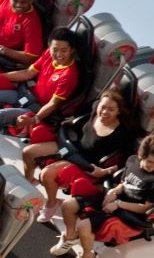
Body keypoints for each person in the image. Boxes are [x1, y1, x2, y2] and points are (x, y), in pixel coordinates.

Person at [49, 134, 154, 258]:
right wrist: (114, 191)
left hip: (127, 212)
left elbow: (145, 207)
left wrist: (118, 204)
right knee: (68, 205)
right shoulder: (132, 161)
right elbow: (124, 183)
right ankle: (71, 237)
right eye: (151, 162)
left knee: (84, 225)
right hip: (114, 201)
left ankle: (88, 257)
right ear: (141, 155)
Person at [31, 89, 136, 221]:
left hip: (90, 167)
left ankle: (51, 204)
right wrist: (71, 121)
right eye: (102, 107)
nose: (104, 112)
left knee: (47, 174)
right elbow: (82, 124)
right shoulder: (94, 112)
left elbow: (125, 159)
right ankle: (50, 198)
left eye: (111, 109)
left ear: (119, 111)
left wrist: (107, 171)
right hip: (75, 153)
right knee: (36, 154)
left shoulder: (122, 133)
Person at [0, 29, 81, 132]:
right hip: (26, 94)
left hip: (36, 108)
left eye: (64, 51)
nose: (58, 54)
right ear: (50, 46)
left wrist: (35, 119)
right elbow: (28, 73)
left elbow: (53, 104)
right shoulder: (48, 54)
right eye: (55, 49)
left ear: (72, 50)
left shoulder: (69, 75)